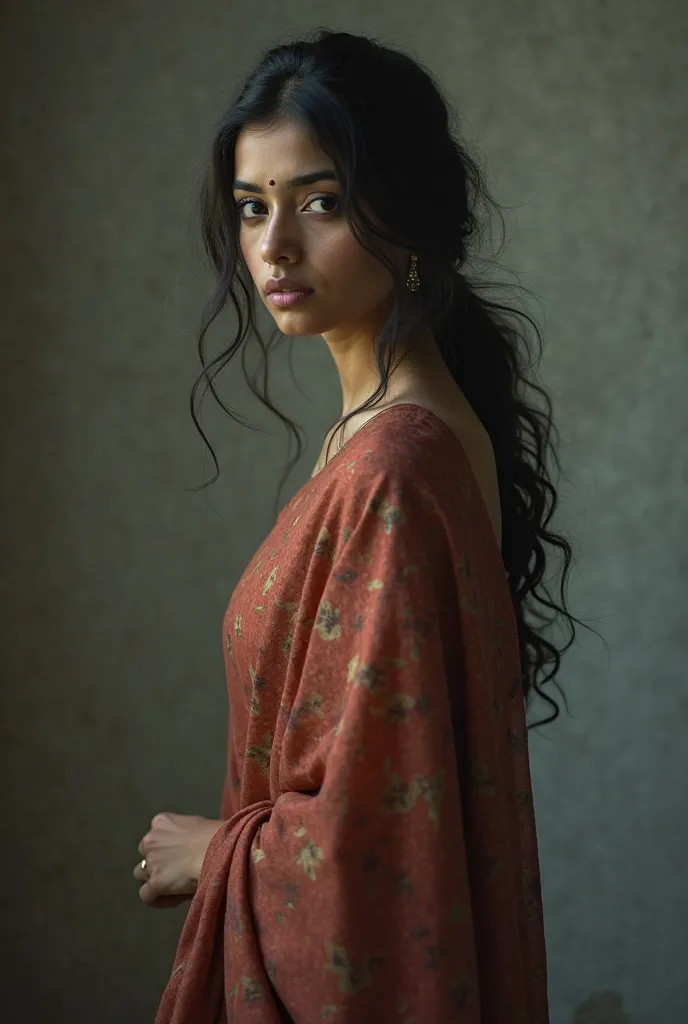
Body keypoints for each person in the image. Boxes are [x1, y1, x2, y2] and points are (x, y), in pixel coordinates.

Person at [134, 27, 595, 1023]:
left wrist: (216, 852)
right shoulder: (376, 432)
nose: (272, 246)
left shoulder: (389, 467)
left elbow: (379, 847)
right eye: (253, 207)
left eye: (320, 203)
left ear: (411, 215)